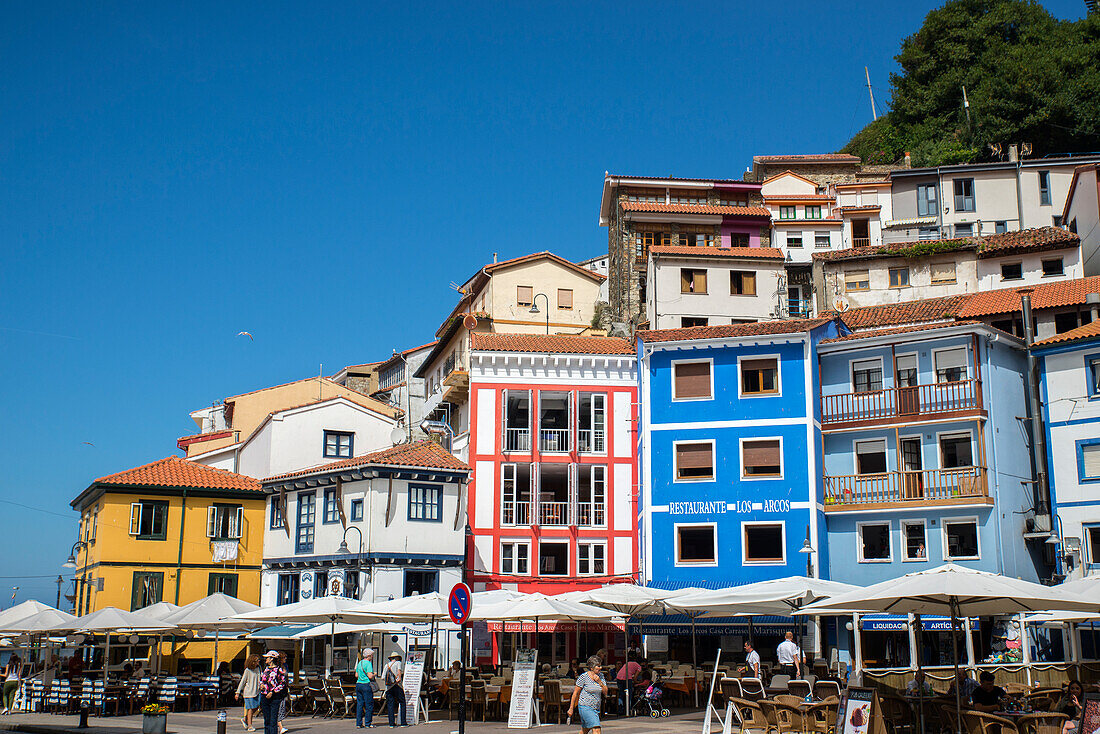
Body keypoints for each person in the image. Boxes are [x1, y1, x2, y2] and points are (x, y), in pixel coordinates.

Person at [568, 656, 609, 734]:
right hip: (585, 707)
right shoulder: (584, 677)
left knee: (585, 730)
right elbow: (575, 693)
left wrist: (599, 682)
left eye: (600, 665)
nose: (600, 668)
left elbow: (605, 692)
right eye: (598, 666)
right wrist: (571, 708)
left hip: (595, 708)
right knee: (596, 728)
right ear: (591, 667)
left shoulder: (601, 676)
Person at [259, 651, 287, 734]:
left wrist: (273, 692)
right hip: (264, 695)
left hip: (274, 697)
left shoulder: (279, 670)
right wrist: (261, 685)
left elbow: (282, 683)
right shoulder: (266, 669)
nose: (265, 659)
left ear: (271, 659)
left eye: (267, 658)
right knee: (266, 719)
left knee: (273, 720)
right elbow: (262, 680)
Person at [236, 654, 261, 732]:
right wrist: (237, 692)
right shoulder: (247, 670)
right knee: (250, 709)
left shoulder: (259, 668)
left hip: (257, 691)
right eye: (257, 660)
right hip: (249, 692)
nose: (259, 661)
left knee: (257, 707)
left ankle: (245, 719)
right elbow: (242, 681)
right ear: (253, 662)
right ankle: (250, 725)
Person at [382, 652, 406, 727]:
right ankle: (403, 722)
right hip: (397, 685)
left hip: (388, 687)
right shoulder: (398, 663)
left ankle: (391, 723)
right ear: (397, 658)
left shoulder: (386, 665)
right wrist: (398, 678)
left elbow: (383, 677)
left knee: (390, 704)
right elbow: (399, 671)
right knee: (402, 702)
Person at [355, 648, 377, 728]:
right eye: (371, 656)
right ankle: (368, 723)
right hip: (366, 685)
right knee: (369, 704)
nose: (372, 657)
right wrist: (374, 674)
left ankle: (359, 723)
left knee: (360, 704)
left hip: (358, 684)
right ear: (369, 656)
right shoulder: (368, 663)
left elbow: (356, 675)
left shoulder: (360, 663)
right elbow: (370, 676)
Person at [276, 652, 290, 734]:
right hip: (277, 690)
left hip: (284, 689)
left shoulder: (286, 666)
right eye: (284, 657)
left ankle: (279, 725)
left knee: (282, 708)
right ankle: (280, 727)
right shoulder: (277, 668)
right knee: (279, 708)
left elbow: (286, 677)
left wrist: (287, 685)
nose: (286, 659)